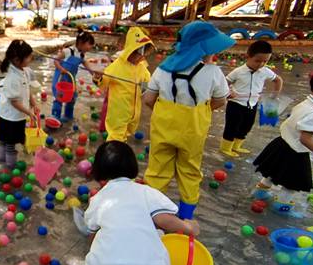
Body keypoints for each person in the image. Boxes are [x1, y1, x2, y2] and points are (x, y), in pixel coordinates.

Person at [69, 141, 198, 265]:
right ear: (132, 168)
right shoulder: (146, 192)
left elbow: (91, 229)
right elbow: (164, 219)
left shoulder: (99, 199)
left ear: (99, 171)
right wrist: (188, 227)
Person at [142, 21, 234, 219]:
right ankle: (185, 218)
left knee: (157, 171)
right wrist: (200, 110)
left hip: (163, 128)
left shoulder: (162, 69)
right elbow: (219, 101)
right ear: (203, 50)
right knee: (190, 172)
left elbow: (148, 99)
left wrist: (164, 112)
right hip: (193, 131)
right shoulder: (214, 73)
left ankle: (151, 216)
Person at [253, 69, 313, 213]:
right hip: (295, 153)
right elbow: (305, 139)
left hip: (281, 145)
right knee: (292, 185)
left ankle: (259, 194)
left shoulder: (306, 103)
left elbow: (301, 127)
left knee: (272, 173)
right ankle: (281, 209)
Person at [220, 40, 283, 156]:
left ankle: (237, 146)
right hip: (236, 104)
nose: (261, 64)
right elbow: (223, 83)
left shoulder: (265, 71)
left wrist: (274, 95)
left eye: (265, 61)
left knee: (246, 126)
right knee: (232, 126)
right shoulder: (238, 72)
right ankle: (225, 148)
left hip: (252, 104)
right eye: (257, 61)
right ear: (247, 57)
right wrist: (228, 93)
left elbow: (278, 80)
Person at [101, 27, 154, 142]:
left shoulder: (141, 67)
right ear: (130, 49)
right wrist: (98, 77)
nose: (140, 56)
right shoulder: (117, 66)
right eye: (138, 52)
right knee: (115, 138)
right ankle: (111, 156)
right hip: (119, 112)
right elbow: (103, 82)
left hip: (134, 112)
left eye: (143, 52)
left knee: (125, 135)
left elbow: (149, 83)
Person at [0, 40, 38, 168]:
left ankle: (1, 159)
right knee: (9, 143)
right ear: (17, 60)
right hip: (11, 116)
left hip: (15, 113)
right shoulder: (12, 78)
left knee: (4, 138)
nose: (31, 58)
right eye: (28, 57)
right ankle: (9, 166)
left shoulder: (24, 70)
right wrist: (29, 112)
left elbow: (27, 88)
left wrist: (33, 102)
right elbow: (14, 102)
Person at [50, 30, 95, 123]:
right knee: (59, 98)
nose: (90, 47)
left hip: (70, 80)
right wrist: (61, 69)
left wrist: (94, 74)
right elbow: (55, 60)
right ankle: (55, 117)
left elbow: (87, 66)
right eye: (89, 44)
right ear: (81, 43)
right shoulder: (68, 51)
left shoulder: (82, 55)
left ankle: (68, 116)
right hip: (61, 79)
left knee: (72, 97)